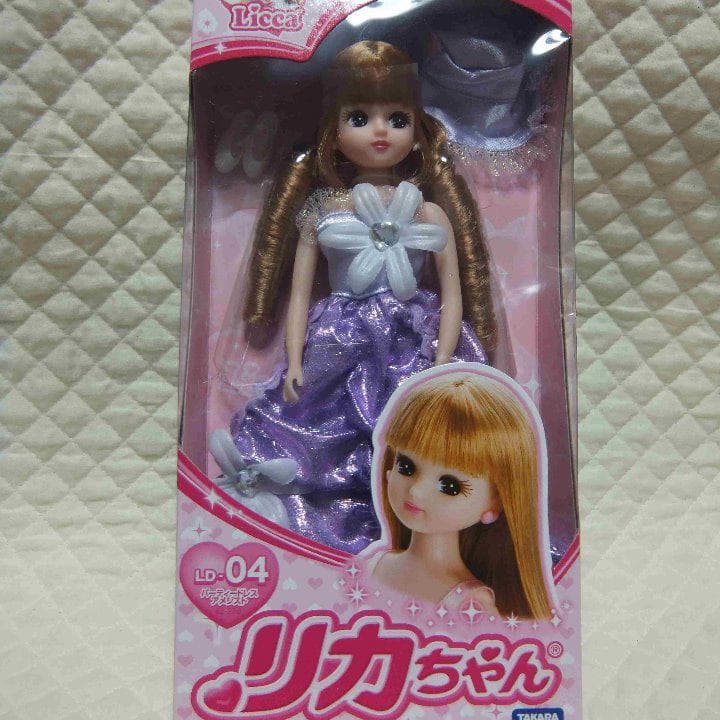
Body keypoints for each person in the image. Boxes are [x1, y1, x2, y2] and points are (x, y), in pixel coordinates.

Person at [213, 41, 496, 554]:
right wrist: (295, 359)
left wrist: (442, 356)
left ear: (418, 130)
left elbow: (453, 294)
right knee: (327, 428)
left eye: (398, 119)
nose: (380, 131)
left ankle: (410, 523)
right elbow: (299, 294)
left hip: (409, 342)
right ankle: (326, 530)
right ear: (334, 131)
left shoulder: (428, 212)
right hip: (338, 340)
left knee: (412, 437)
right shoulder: (324, 208)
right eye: (359, 118)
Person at [369, 367, 552, 619]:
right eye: (406, 467)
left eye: (450, 486)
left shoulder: (470, 605)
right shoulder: (371, 565)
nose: (416, 491)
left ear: (496, 502)